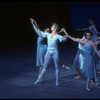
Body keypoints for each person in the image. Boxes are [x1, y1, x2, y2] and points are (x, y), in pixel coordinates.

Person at [31, 18, 68, 86]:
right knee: (44, 66)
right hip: (48, 51)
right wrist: (33, 24)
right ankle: (38, 79)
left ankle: (57, 81)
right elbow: (38, 32)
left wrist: (66, 37)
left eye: (52, 26)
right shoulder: (48, 34)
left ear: (55, 28)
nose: (51, 26)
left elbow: (63, 39)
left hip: (55, 52)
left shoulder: (57, 36)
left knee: (56, 67)